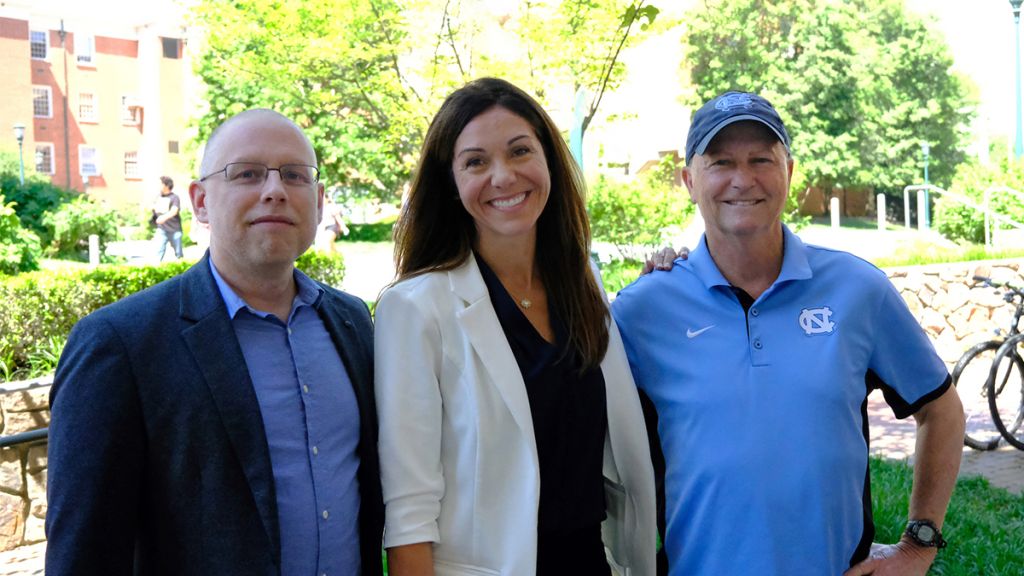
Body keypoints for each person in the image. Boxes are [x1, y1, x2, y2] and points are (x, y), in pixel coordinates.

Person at [611, 91, 965, 576]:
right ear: (688, 181)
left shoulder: (857, 289)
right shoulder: (642, 311)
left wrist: (918, 545)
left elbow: (941, 410)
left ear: (790, 172)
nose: (743, 179)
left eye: (762, 159)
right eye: (721, 162)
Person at [46, 109, 383, 576]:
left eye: (294, 175)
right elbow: (86, 552)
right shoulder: (120, 344)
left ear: (320, 201)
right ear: (201, 202)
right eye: (246, 173)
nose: (275, 190)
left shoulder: (352, 321)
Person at [374, 77, 656, 576]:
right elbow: (409, 513)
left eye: (520, 151)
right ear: (452, 183)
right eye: (475, 162)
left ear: (548, 160)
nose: (502, 176)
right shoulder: (416, 309)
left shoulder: (583, 285)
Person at [152, 175, 184, 260]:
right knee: (158, 253)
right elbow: (154, 209)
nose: (158, 186)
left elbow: (174, 211)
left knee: (178, 254)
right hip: (162, 229)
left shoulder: (174, 197)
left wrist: (163, 218)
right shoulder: (158, 197)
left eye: (160, 184)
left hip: (175, 230)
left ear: (166, 185)